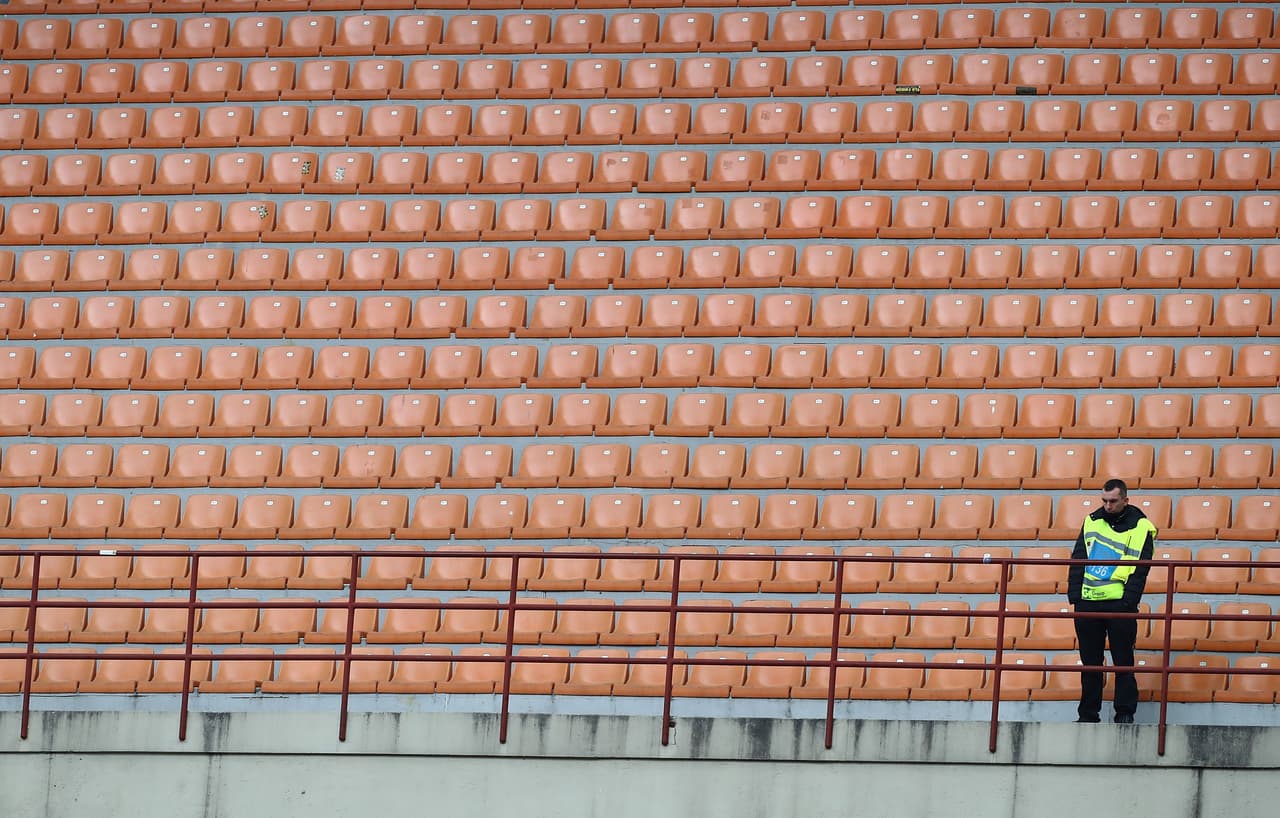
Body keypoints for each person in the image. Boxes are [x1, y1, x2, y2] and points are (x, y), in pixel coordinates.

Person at [1066, 479, 1156, 724]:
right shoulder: (1091, 521)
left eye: (1113, 501)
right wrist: (1075, 598)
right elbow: (1078, 559)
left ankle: (1125, 713)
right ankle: (1087, 714)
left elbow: (1140, 571)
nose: (1107, 505)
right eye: (1104, 500)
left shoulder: (1141, 527)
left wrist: (1128, 602)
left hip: (1120, 605)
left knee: (1123, 660)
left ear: (1125, 500)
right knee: (1090, 663)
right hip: (1088, 602)